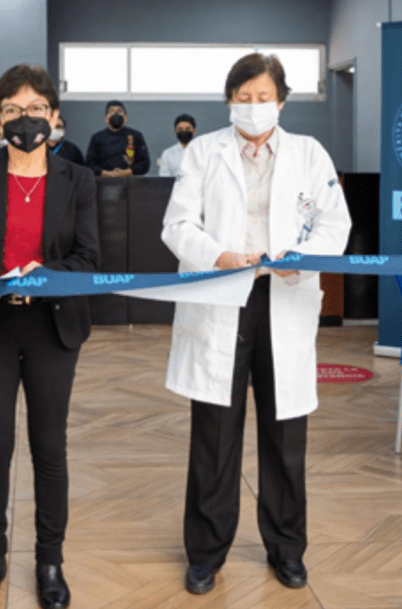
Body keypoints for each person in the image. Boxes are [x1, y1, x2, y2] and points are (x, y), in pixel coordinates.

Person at [161, 53, 351, 595]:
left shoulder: (309, 153)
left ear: (281, 101)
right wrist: (217, 255)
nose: (253, 106)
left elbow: (335, 224)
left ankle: (287, 549)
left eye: (263, 97)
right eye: (242, 98)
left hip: (284, 297)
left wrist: (303, 257)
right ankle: (205, 553)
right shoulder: (204, 152)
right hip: (223, 294)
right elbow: (177, 225)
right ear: (229, 101)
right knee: (214, 434)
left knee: (285, 429)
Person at [0, 64, 99, 609]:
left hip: (53, 326)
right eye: (12, 110)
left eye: (35, 109)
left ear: (54, 116)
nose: (24, 119)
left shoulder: (77, 179)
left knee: (49, 447)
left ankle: (50, 561)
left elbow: (88, 258)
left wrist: (48, 276)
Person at [85, 100, 150, 176]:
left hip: (129, 181)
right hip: (104, 181)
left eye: (119, 111)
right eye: (112, 111)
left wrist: (125, 172)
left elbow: (145, 163)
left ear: (126, 118)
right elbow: (90, 164)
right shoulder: (97, 137)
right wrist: (107, 174)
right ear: (106, 118)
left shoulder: (136, 136)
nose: (115, 114)